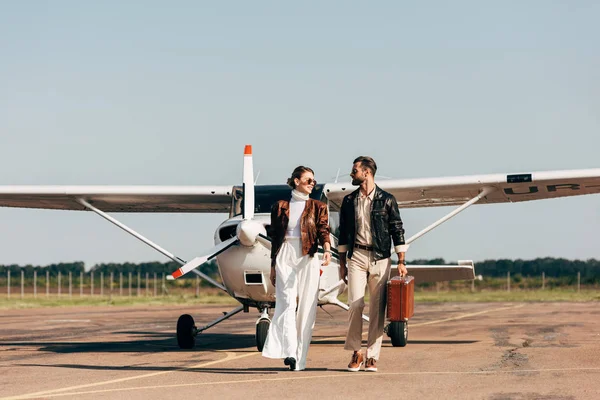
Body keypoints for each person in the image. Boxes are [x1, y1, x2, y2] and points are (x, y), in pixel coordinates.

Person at [338, 156, 408, 372]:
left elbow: (397, 228)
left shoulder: (387, 199)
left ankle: (373, 356)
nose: (351, 174)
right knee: (355, 304)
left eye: (354, 171)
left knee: (378, 309)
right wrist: (342, 263)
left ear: (366, 172)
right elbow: (342, 234)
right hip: (357, 256)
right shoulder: (349, 201)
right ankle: (357, 352)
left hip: (381, 257)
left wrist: (401, 261)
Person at [262, 166, 331, 371]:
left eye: (313, 180)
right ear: (296, 181)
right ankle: (290, 352)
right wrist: (273, 265)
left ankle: (300, 360)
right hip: (285, 254)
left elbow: (323, 229)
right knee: (286, 303)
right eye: (308, 180)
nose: (312, 183)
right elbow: (275, 237)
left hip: (308, 255)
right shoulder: (280, 206)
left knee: (307, 306)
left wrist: (326, 249)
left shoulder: (318, 206)